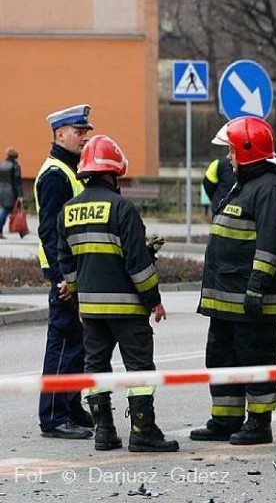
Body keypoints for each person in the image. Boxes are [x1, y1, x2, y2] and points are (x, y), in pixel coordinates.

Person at [56, 135, 178, 453]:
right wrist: (154, 300)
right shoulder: (122, 208)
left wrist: (79, 295)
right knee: (139, 369)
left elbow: (66, 262)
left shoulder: (67, 211)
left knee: (95, 367)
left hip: (92, 311)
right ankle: (142, 432)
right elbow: (138, 265)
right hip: (128, 309)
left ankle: (103, 432)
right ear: (112, 173)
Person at [190, 116, 276, 445]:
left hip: (249, 299)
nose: (229, 157)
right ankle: (225, 419)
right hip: (224, 300)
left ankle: (259, 423)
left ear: (248, 152)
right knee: (221, 358)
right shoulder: (245, 185)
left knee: (256, 358)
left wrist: (256, 289)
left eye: (232, 151)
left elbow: (269, 245)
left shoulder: (271, 190)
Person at [36, 104, 94, 440]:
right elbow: (51, 230)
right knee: (62, 344)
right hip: (65, 276)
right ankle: (54, 416)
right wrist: (61, 277)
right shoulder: (56, 174)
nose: (85, 137)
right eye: (78, 132)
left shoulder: (72, 170)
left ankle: (70, 406)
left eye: (86, 131)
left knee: (77, 344)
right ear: (60, 134)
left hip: (76, 273)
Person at [0, 147, 23, 238]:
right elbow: (17, 182)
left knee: (6, 210)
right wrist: (20, 195)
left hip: (1, 190)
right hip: (11, 191)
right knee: (6, 210)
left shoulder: (2, 165)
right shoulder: (15, 166)